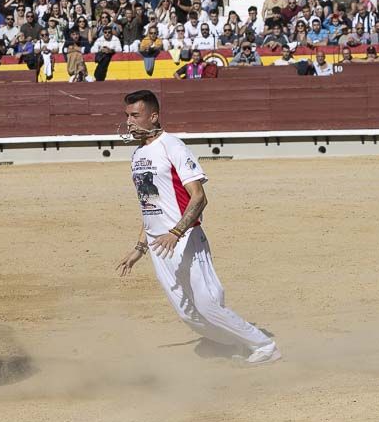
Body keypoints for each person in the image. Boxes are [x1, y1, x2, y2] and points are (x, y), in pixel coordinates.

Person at [115, 90, 281, 365]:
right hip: (159, 245)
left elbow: (199, 197)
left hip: (184, 238)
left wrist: (176, 232)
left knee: (207, 304)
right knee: (187, 313)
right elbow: (150, 205)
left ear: (153, 116)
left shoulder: (173, 146)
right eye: (127, 116)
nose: (129, 122)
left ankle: (264, 345)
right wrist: (140, 248)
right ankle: (237, 343)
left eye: (135, 116)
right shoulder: (138, 154)